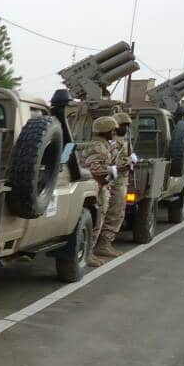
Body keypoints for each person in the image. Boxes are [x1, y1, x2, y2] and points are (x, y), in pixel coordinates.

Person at [95, 111, 137, 258]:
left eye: (127, 125)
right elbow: (112, 162)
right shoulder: (114, 142)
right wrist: (127, 163)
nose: (126, 127)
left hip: (120, 180)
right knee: (113, 213)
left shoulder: (124, 140)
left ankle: (105, 243)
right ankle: (103, 244)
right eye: (124, 125)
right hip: (115, 181)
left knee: (116, 212)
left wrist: (132, 159)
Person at [80, 116, 119, 267]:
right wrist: (112, 172)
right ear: (105, 131)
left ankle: (90, 252)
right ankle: (87, 254)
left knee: (97, 221)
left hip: (98, 188)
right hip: (97, 189)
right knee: (96, 222)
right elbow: (94, 169)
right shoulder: (98, 147)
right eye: (113, 130)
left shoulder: (101, 145)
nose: (114, 133)